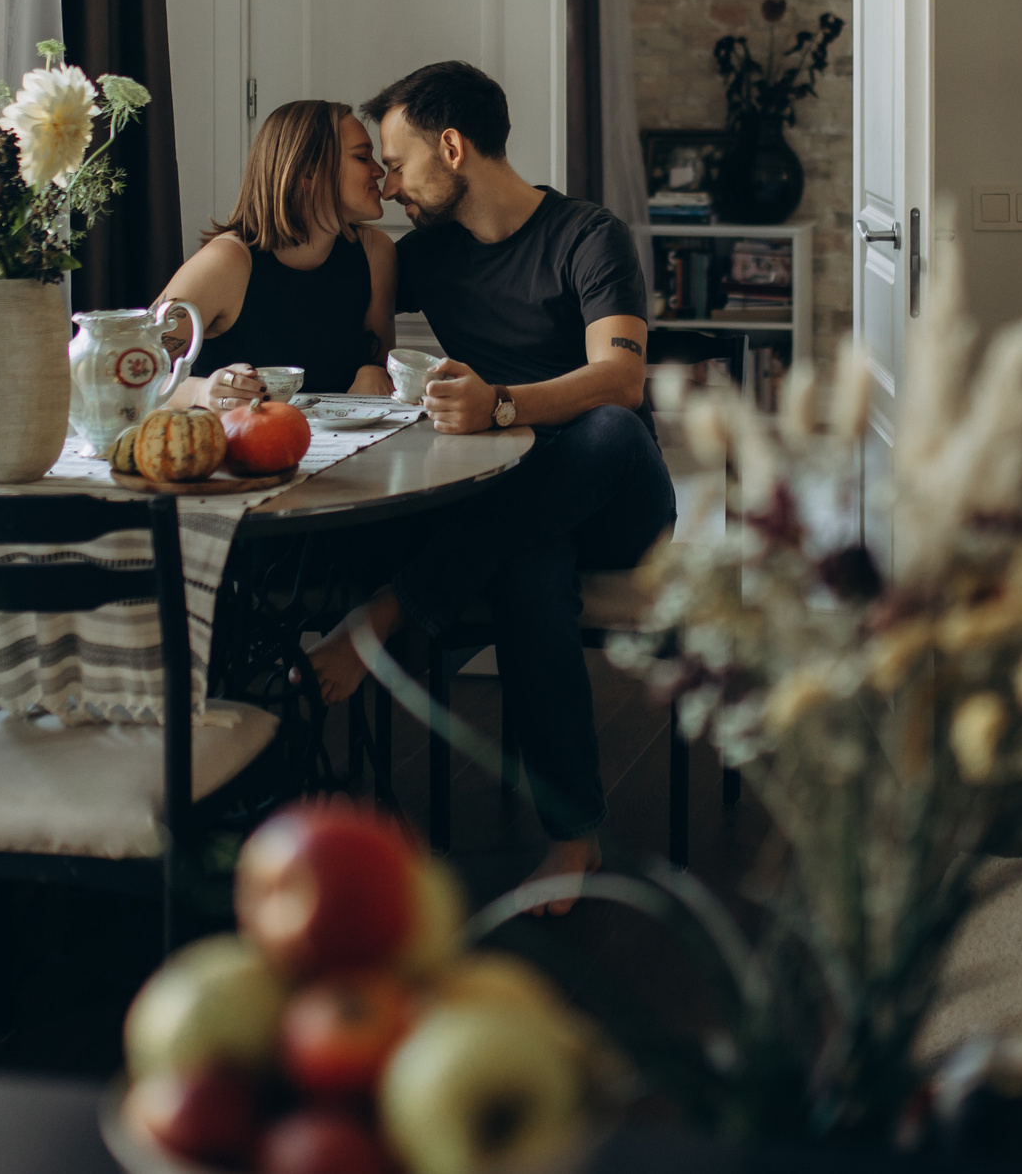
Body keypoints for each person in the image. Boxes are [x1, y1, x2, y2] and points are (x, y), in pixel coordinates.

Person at [304, 61, 675, 912]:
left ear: (453, 146)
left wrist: (502, 403)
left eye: (395, 163)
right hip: (520, 508)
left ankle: (390, 613)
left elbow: (620, 380)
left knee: (607, 431)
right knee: (530, 563)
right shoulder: (422, 257)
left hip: (617, 493)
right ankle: (573, 834)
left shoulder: (589, 234)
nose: (390, 184)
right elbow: (341, 305)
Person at [157, 99, 398, 409]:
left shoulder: (375, 252)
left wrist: (373, 371)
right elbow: (122, 373)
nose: (379, 171)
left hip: (344, 451)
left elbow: (379, 359)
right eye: (362, 157)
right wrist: (200, 392)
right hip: (235, 449)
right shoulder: (226, 263)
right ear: (308, 173)